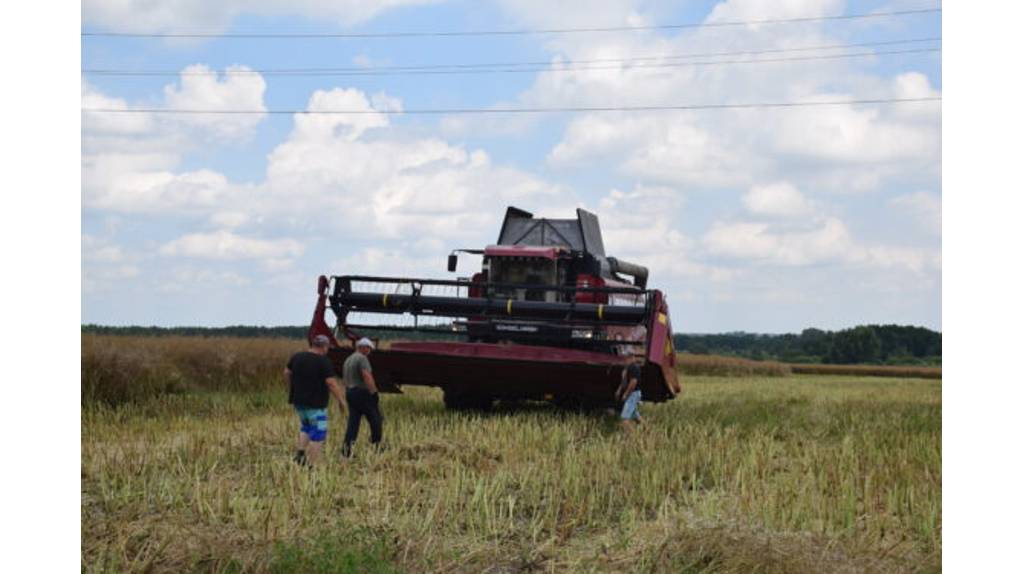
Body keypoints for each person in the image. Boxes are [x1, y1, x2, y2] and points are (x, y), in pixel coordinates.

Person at [284, 334, 345, 467]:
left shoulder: (297, 357)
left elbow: (287, 372)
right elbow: (331, 383)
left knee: (306, 426)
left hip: (298, 402)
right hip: (316, 404)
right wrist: (341, 400)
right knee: (318, 433)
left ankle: (300, 455)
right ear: (324, 347)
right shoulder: (323, 361)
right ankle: (314, 465)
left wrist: (291, 389)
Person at [341, 337, 383, 458]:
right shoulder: (362, 359)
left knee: (353, 423)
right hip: (362, 392)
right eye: (369, 348)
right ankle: (377, 445)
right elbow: (367, 376)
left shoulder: (349, 359)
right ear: (363, 348)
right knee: (376, 419)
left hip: (350, 392)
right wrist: (374, 392)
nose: (369, 351)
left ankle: (346, 450)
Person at [615, 352, 645, 431]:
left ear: (632, 357)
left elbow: (633, 382)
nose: (625, 359)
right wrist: (619, 390)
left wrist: (626, 394)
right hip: (633, 394)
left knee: (624, 419)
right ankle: (646, 430)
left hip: (633, 394)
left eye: (626, 358)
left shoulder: (634, 367)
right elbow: (624, 381)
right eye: (624, 358)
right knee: (636, 416)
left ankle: (631, 437)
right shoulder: (627, 368)